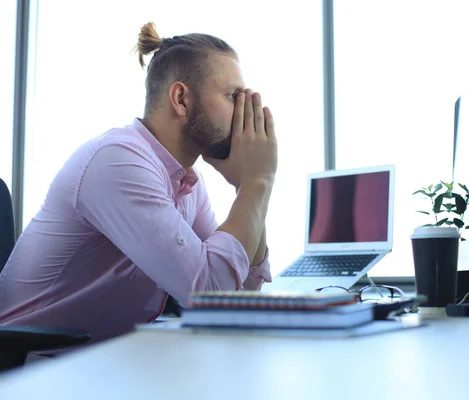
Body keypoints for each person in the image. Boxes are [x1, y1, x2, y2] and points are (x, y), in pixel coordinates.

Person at [0, 22, 277, 345]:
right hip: (33, 369)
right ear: (181, 99)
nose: (246, 112)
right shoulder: (119, 161)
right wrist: (257, 181)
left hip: (100, 362)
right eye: (233, 96)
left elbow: (240, 294)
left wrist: (251, 186)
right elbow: (210, 294)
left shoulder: (187, 182)